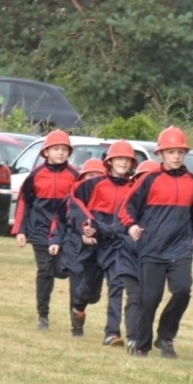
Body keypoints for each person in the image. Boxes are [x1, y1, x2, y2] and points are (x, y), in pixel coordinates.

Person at [122, 127, 193, 358]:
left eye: (180, 152)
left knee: (183, 290)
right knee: (150, 299)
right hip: (152, 247)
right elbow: (127, 207)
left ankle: (166, 337)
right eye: (171, 152)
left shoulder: (192, 181)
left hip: (180, 248)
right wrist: (131, 225)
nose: (176, 156)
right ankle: (142, 345)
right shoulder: (149, 180)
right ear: (161, 154)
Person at [62, 141, 139, 343]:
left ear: (132, 163)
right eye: (119, 158)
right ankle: (78, 307)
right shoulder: (93, 185)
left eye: (127, 159)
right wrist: (85, 226)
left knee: (117, 284)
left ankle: (112, 333)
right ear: (110, 161)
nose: (123, 162)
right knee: (88, 289)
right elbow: (74, 203)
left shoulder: (134, 189)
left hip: (118, 242)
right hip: (94, 243)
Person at [11, 129, 79, 331]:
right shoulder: (35, 176)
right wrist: (21, 230)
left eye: (64, 149)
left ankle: (76, 318)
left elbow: (82, 206)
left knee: (66, 272)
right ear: (46, 152)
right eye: (56, 149)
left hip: (67, 233)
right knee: (45, 271)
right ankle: (43, 316)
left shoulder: (75, 176)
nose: (60, 153)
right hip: (40, 231)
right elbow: (24, 202)